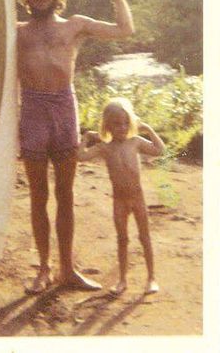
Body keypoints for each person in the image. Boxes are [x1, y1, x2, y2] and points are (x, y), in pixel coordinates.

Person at [17, 0, 134, 293]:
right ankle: (43, 268)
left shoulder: (75, 26)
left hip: (64, 109)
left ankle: (68, 270)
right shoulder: (17, 30)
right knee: (38, 196)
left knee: (65, 195)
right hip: (33, 110)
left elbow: (125, 29)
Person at [78, 97, 165, 295]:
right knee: (122, 239)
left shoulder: (135, 142)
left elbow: (161, 150)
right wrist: (86, 138)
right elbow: (80, 157)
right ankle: (122, 280)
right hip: (119, 200)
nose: (122, 127)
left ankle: (151, 278)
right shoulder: (104, 148)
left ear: (131, 122)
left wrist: (149, 130)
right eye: (117, 124)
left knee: (145, 237)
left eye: (126, 122)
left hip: (138, 198)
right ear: (107, 126)